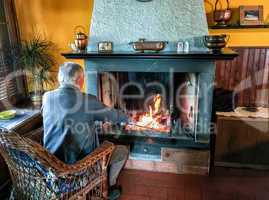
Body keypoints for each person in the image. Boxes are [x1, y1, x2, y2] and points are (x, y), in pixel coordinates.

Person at [42, 62, 128, 198]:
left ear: (60, 79)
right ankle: (109, 187)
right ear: (80, 80)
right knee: (122, 151)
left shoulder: (46, 97)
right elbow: (113, 116)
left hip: (52, 164)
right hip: (79, 168)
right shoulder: (89, 100)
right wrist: (129, 118)